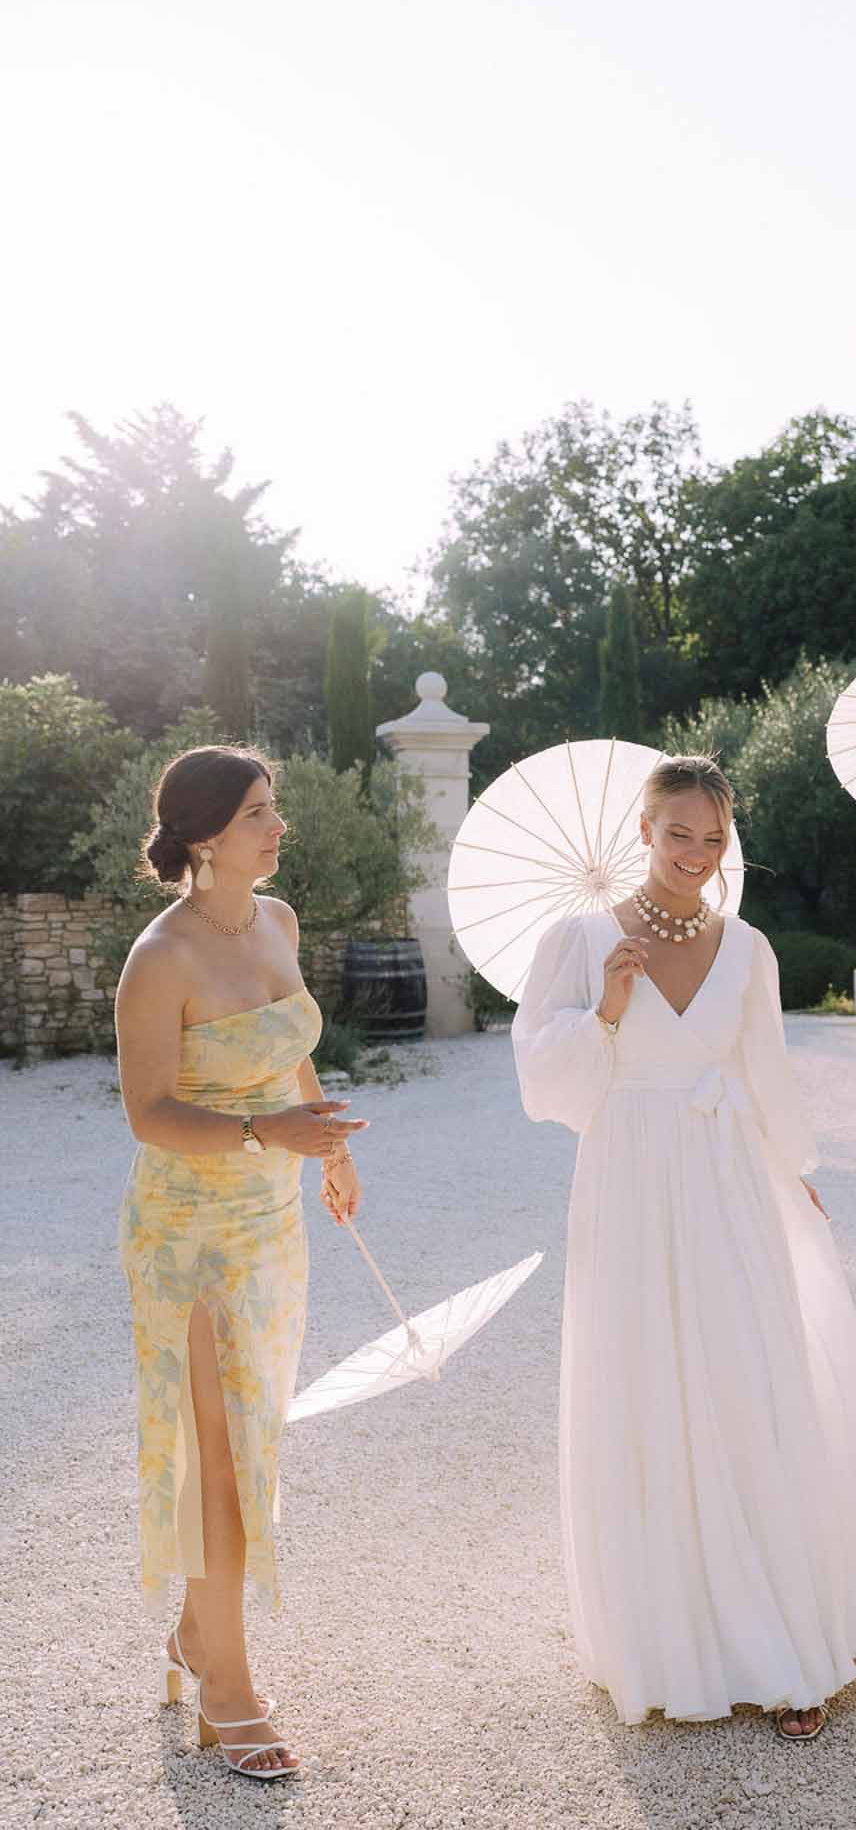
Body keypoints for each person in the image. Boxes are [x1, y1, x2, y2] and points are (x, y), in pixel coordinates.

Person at [513, 753, 856, 1739]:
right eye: (678, 832)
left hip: (731, 1182)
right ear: (642, 831)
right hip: (630, 1184)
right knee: (649, 1391)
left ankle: (783, 1635)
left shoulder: (749, 946)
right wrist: (605, 1008)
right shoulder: (580, 938)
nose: (695, 852)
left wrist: (797, 1169)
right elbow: (542, 1086)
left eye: (712, 837)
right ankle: (670, 1635)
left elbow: (764, 1069)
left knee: (750, 1384)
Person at [116, 746, 366, 1780]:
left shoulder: (279, 919)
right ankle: (227, 1684)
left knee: (255, 1439)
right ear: (207, 834)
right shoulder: (158, 957)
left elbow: (285, 1046)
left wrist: (329, 1145)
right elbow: (149, 1111)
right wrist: (271, 1132)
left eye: (276, 810)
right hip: (188, 1232)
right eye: (260, 813)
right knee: (214, 1451)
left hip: (273, 1222)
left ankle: (195, 1629)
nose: (279, 827)